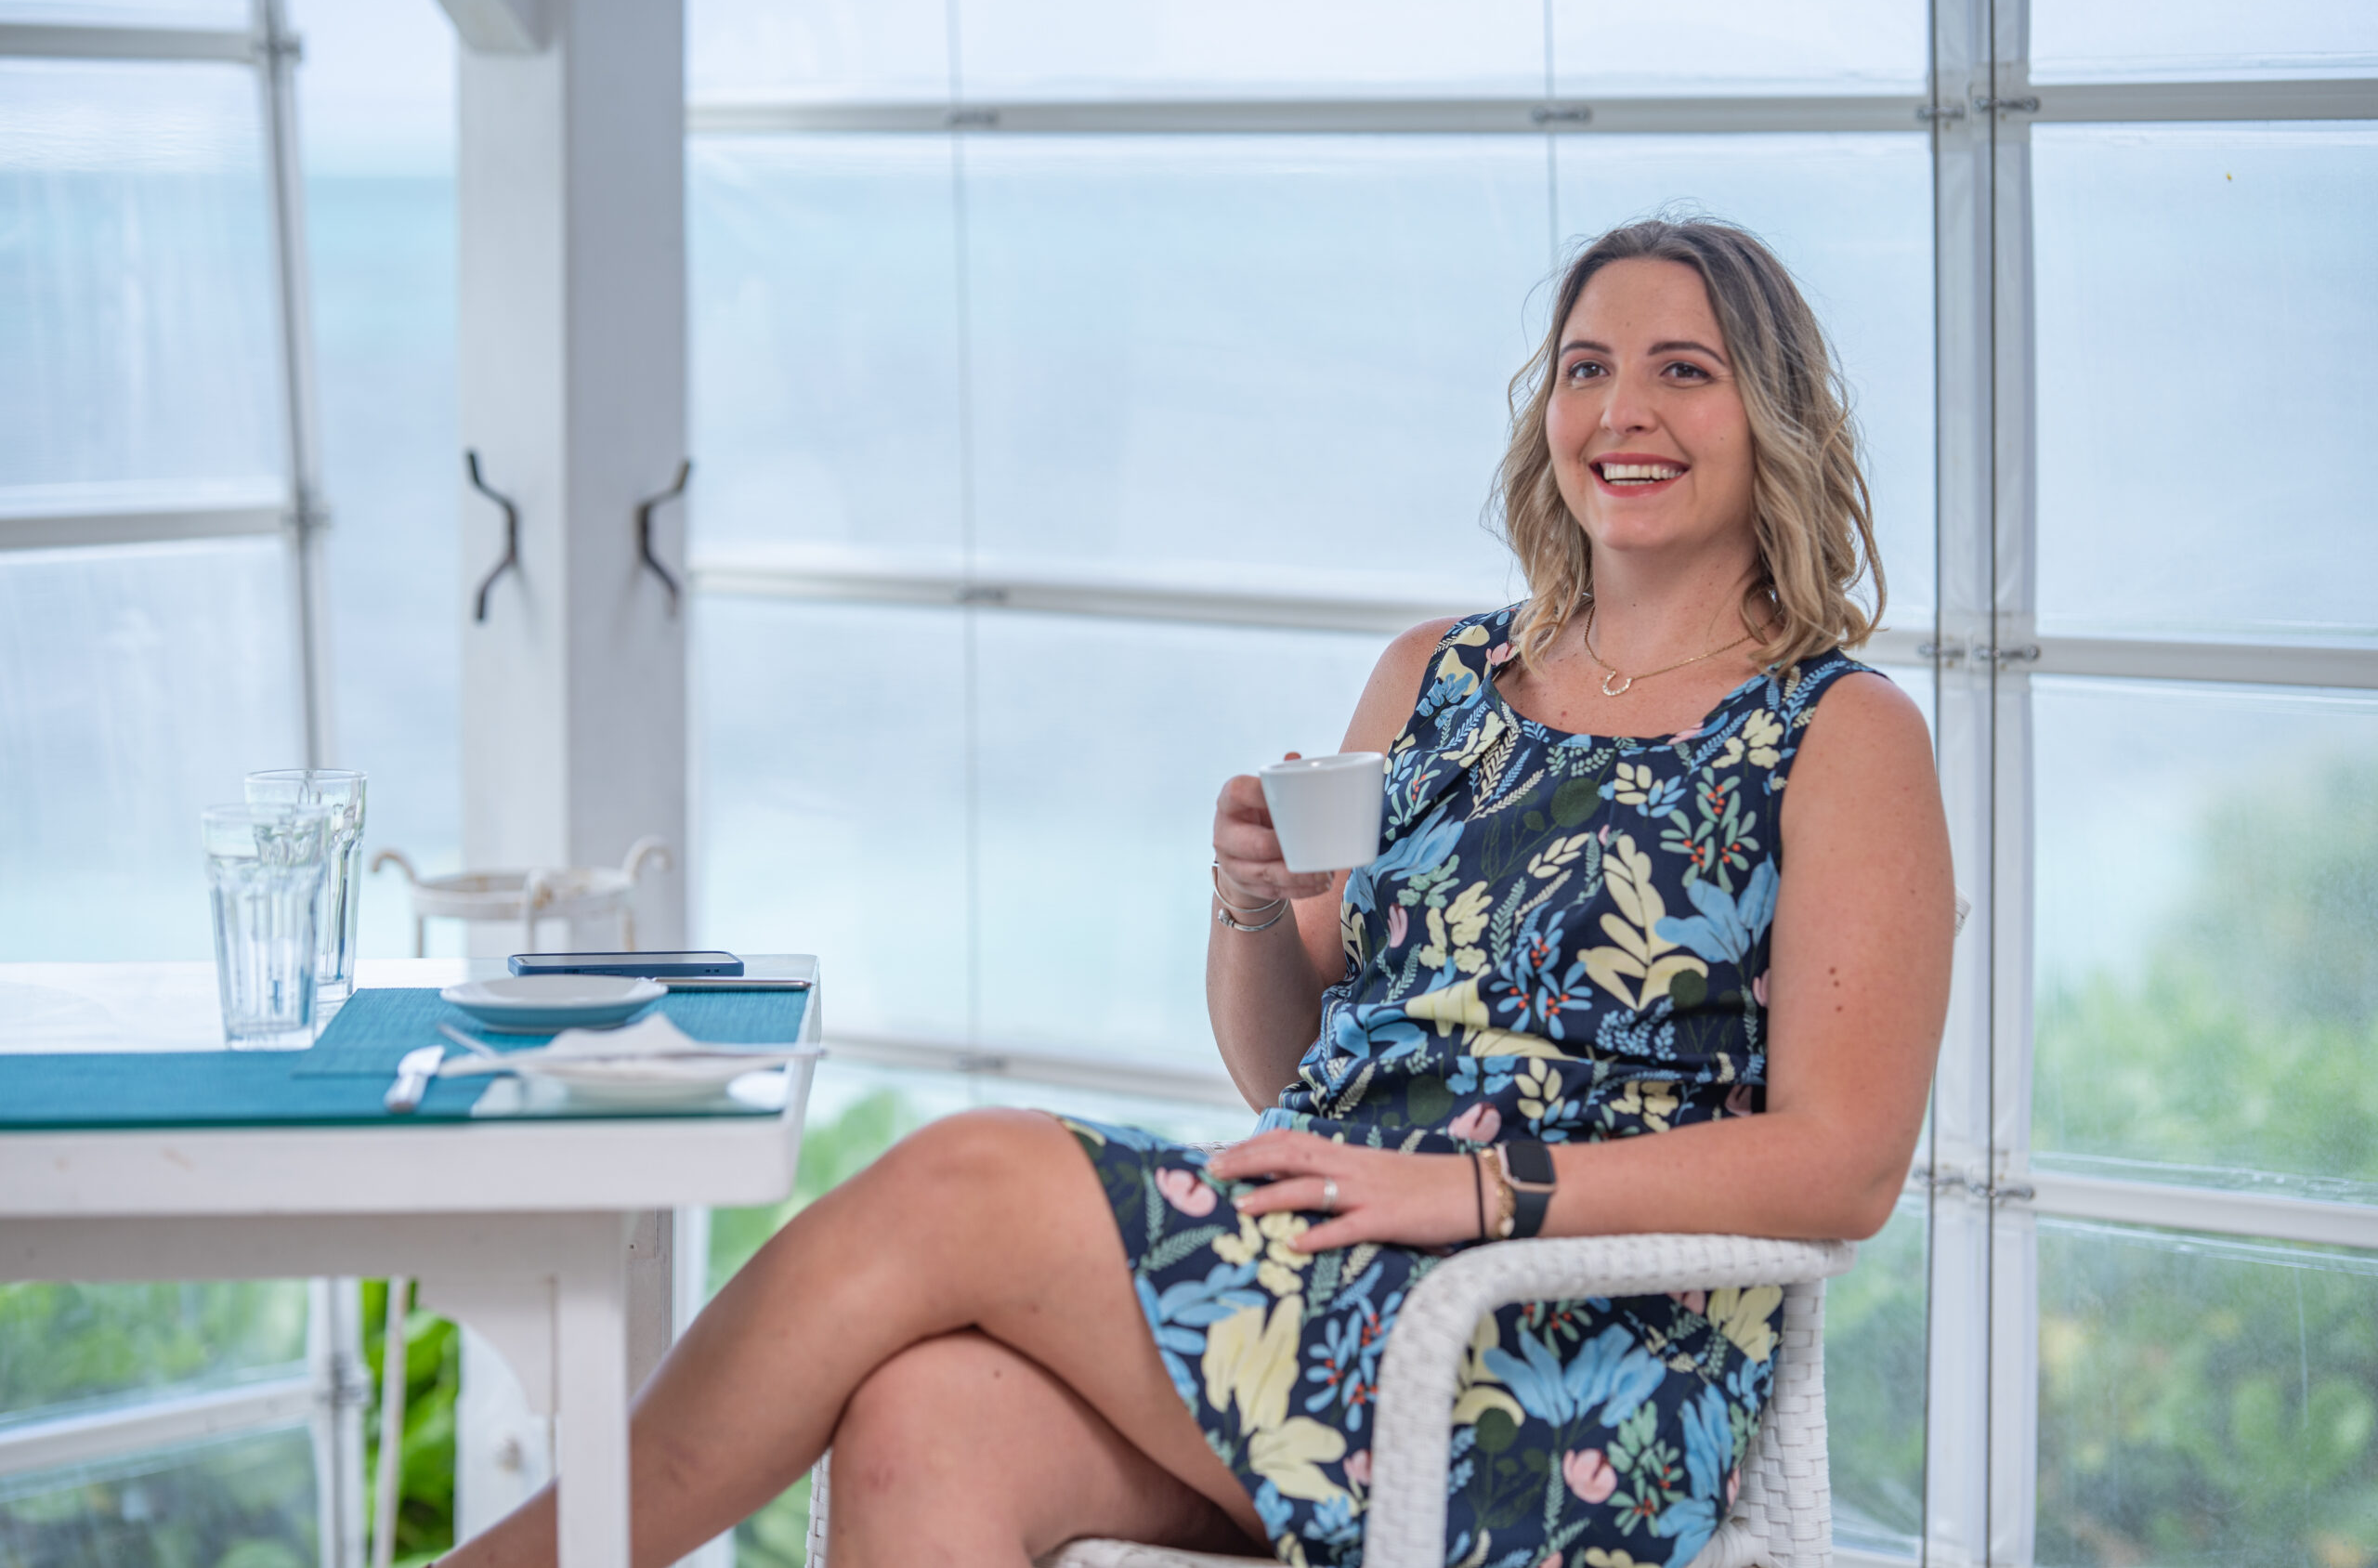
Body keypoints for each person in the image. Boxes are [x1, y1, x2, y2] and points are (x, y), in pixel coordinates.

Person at [438, 216, 1953, 1568]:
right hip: (1325, 1276)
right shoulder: (1434, 675)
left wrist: (1478, 1190)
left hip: (1559, 1369)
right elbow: (1291, 1068)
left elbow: (1845, 1164)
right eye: (1586, 369)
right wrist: (1250, 901)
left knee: (970, 1175)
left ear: (1773, 415)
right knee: (921, 1422)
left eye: (1684, 371)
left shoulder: (1839, 731)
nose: (1623, 411)